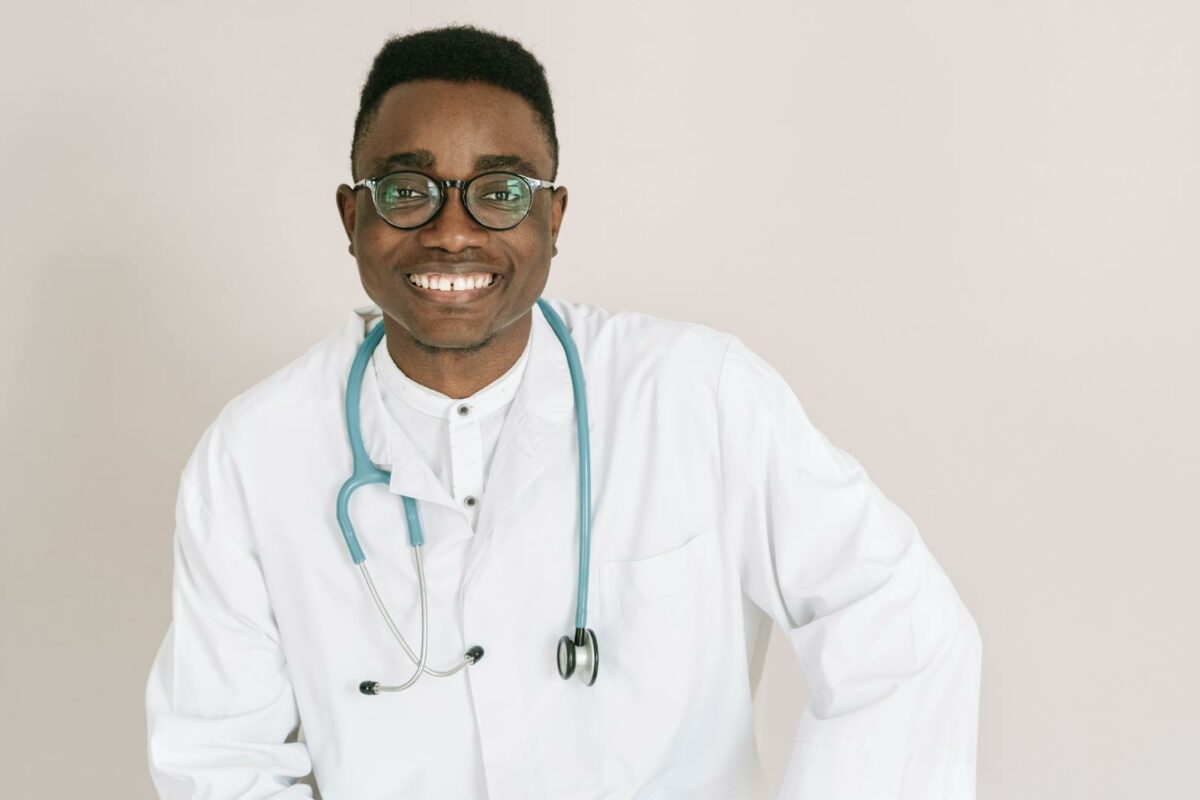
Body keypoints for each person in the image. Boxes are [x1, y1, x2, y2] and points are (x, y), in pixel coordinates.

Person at [145, 25, 981, 800]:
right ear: (351, 215)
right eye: (407, 190)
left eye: (500, 192)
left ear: (553, 216)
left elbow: (902, 633)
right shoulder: (254, 456)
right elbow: (220, 757)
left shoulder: (697, 396)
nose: (451, 232)